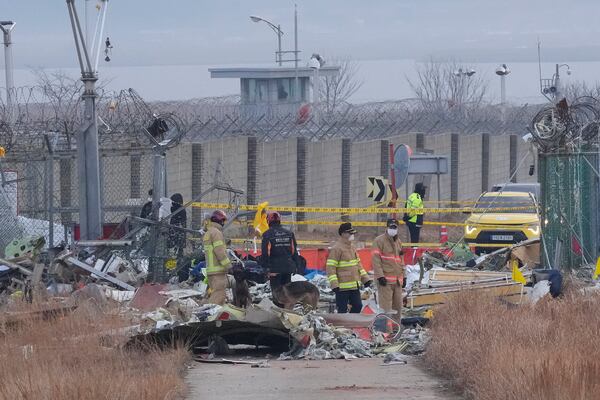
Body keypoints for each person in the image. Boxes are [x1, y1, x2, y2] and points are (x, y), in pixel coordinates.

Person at [326, 222, 372, 313]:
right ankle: (342, 326)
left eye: (353, 233)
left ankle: (351, 324)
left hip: (354, 285)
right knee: (342, 310)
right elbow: (331, 267)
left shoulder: (352, 248)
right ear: (343, 234)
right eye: (350, 233)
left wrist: (365, 279)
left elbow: (358, 265)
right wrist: (334, 284)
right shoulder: (337, 248)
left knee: (358, 306)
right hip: (342, 287)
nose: (352, 235)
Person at [372, 218, 405, 322]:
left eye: (395, 227)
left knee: (397, 308)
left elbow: (401, 260)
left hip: (397, 281)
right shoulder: (379, 241)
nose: (393, 229)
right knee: (386, 308)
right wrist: (380, 276)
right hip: (385, 281)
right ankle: (386, 331)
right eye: (391, 227)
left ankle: (396, 331)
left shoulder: (398, 242)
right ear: (387, 227)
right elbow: (376, 260)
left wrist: (405, 277)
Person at [260, 211, 299, 294]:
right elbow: (294, 251)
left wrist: (265, 268)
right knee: (287, 293)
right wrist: (296, 265)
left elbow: (265, 254)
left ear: (268, 221)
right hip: (288, 268)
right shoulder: (289, 233)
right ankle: (285, 307)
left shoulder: (267, 235)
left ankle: (278, 306)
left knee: (277, 294)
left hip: (274, 269)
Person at [203, 210, 231, 305]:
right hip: (218, 271)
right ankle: (210, 317)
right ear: (220, 220)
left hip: (211, 271)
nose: (223, 223)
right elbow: (220, 252)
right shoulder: (216, 233)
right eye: (223, 221)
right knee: (218, 297)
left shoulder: (208, 232)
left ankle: (216, 317)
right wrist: (229, 266)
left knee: (217, 296)